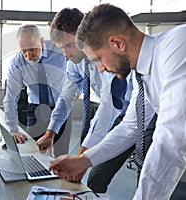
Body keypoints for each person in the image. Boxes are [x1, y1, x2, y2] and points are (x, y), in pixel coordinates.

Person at [49, 4, 186, 200]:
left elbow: (170, 142)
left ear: (118, 44)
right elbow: (129, 127)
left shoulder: (177, 47)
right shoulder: (142, 73)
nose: (101, 69)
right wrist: (83, 161)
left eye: (98, 59)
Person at [37, 7, 134, 193]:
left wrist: (81, 156)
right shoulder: (76, 62)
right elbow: (67, 95)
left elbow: (108, 107)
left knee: (98, 172)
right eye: (61, 48)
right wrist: (51, 132)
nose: (66, 54)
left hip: (132, 113)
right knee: (94, 176)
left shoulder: (105, 56)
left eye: (68, 46)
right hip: (118, 115)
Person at [3, 24, 71, 156]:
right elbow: (11, 97)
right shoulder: (17, 62)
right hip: (35, 109)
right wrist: (13, 129)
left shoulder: (59, 50)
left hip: (62, 106)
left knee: (62, 155)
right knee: (33, 153)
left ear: (41, 41)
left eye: (32, 49)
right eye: (24, 51)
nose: (28, 55)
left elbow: (77, 67)